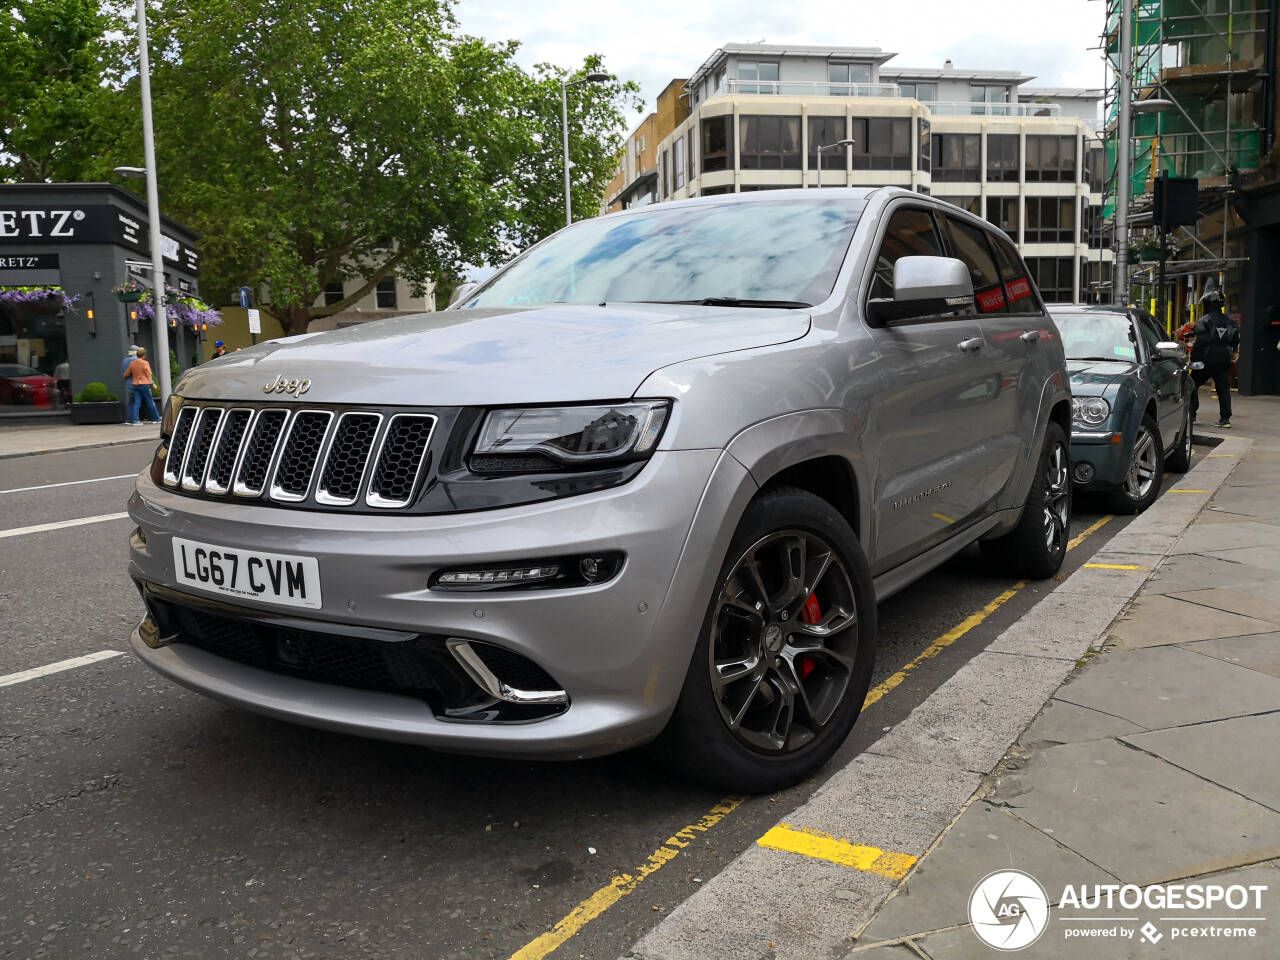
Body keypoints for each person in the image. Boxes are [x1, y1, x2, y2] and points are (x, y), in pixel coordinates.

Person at [1188, 286, 1241, 428]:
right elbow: (1235, 342)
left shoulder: (1203, 321)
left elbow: (1200, 343)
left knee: (1191, 385)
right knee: (1223, 388)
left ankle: (1191, 415)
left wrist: (1192, 360)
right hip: (1223, 360)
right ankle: (1225, 419)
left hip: (1204, 361)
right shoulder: (1231, 321)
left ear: (1208, 304)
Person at [123, 347, 161, 425]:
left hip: (136, 384)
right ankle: (156, 418)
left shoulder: (132, 363)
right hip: (144, 384)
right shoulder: (145, 363)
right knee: (150, 401)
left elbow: (126, 374)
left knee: (137, 403)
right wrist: (152, 383)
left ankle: (135, 420)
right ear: (144, 355)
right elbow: (148, 374)